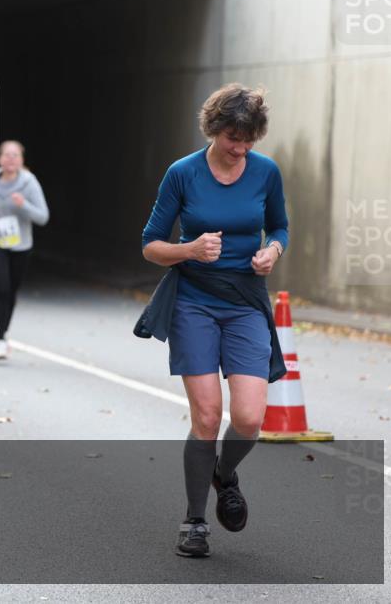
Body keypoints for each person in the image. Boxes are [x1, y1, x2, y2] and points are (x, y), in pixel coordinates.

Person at [136, 83, 289, 558]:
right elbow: (150, 244)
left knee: (248, 418)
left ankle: (223, 473)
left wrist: (272, 250)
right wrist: (190, 249)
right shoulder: (183, 173)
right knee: (206, 416)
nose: (239, 147)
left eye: (248, 139)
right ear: (213, 129)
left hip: (245, 301)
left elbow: (280, 226)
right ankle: (194, 520)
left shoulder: (265, 172)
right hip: (194, 301)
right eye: (231, 138)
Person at [0, 140, 49, 360]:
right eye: (6, 155)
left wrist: (23, 205)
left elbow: (43, 217)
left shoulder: (29, 182)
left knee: (11, 291)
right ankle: (0, 339)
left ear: (21, 160)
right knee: (2, 288)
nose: (10, 159)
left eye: (15, 155)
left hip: (20, 245)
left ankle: (4, 330)